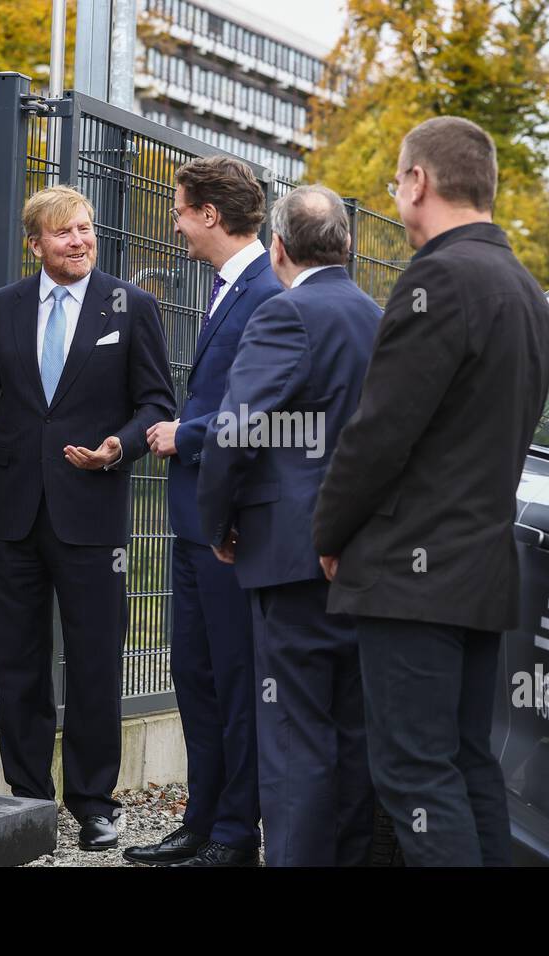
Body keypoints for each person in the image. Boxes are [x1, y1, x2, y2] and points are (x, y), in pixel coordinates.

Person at [313, 117, 549, 867]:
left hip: (412, 575)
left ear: (418, 181)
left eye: (397, 179)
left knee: (414, 771)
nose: (397, 192)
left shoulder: (438, 279)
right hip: (479, 569)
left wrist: (329, 532)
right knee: (465, 760)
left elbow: (381, 432)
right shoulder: (528, 292)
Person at [0, 186, 174, 851]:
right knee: (19, 661)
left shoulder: (133, 306)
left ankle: (95, 803)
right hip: (13, 510)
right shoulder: (3, 307)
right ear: (34, 243)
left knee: (95, 660)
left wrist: (118, 447)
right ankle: (28, 799)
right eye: (64, 232)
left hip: (91, 511)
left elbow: (156, 401)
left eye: (87, 229)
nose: (80, 240)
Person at [197, 185, 381, 866]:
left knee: (295, 738)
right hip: (362, 555)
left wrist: (219, 523)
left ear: (278, 248)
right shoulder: (378, 316)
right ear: (348, 245)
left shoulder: (285, 315)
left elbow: (234, 431)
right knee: (352, 734)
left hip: (289, 556)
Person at [125, 157, 281, 867]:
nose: (178, 222)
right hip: (196, 522)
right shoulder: (229, 287)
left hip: (231, 528)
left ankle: (232, 833)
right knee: (194, 672)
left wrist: (183, 433)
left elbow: (260, 411)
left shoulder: (265, 293)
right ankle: (203, 817)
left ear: (210, 215)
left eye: (182, 210)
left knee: (233, 678)